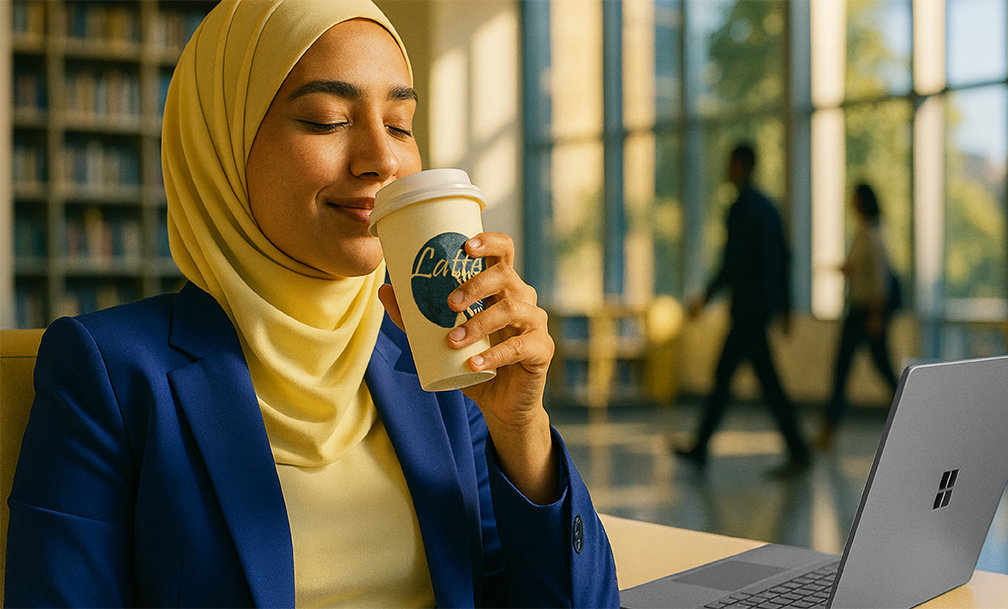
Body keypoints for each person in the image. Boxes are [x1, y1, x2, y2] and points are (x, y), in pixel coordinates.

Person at [4, 1, 620, 607]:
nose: (382, 160)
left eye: (400, 124)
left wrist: (521, 429)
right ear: (224, 144)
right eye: (328, 120)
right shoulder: (111, 371)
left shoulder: (435, 351)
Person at [674, 143, 811, 477]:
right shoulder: (768, 208)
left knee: (743, 378)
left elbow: (732, 262)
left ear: (740, 165)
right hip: (760, 308)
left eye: (730, 163)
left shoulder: (742, 208)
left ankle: (796, 449)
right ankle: (704, 447)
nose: (727, 169)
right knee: (742, 377)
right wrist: (785, 307)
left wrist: (706, 297)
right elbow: (783, 259)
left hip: (748, 310)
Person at [816, 183, 899, 452]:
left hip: (867, 313)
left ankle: (911, 413)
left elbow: (880, 279)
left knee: (880, 368)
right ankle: (829, 429)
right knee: (843, 370)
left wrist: (876, 315)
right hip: (859, 311)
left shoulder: (873, 234)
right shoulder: (864, 232)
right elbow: (859, 269)